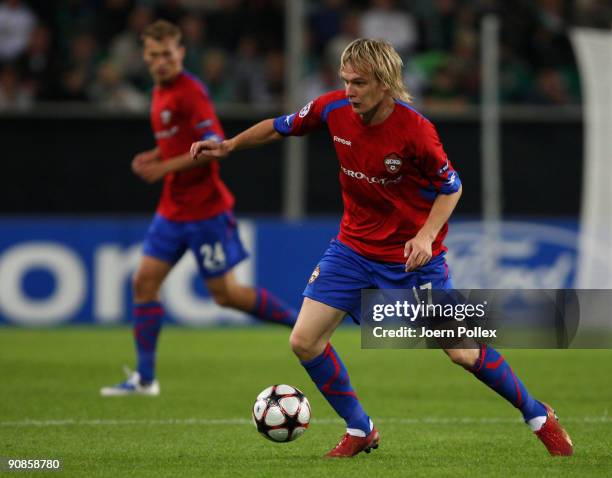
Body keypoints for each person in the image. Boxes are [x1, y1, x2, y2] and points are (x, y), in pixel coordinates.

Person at [190, 38, 574, 458]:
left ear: (386, 82)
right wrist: (228, 146)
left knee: (462, 352)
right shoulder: (332, 109)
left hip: (411, 261)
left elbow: (452, 188)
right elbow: (280, 126)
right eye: (346, 81)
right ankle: (361, 429)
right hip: (352, 250)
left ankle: (538, 416)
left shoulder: (416, 131)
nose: (350, 90)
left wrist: (426, 235)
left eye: (359, 82)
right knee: (304, 340)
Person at [100, 20, 297, 397]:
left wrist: (163, 167)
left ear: (181, 53)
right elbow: (179, 141)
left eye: (167, 54)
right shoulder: (159, 91)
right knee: (143, 282)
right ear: (145, 55)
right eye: (154, 55)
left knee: (225, 295)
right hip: (173, 210)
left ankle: (299, 322)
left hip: (206, 212)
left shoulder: (190, 92)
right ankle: (145, 379)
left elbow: (211, 144)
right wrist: (158, 154)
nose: (160, 62)